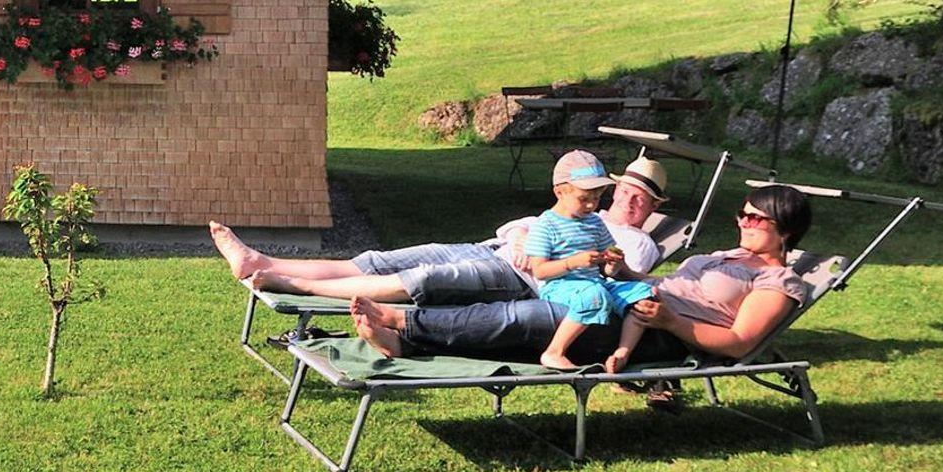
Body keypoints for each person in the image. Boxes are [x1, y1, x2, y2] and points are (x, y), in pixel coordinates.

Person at [345, 183, 815, 376]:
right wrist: (625, 272)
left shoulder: (779, 282)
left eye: (756, 219)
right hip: (631, 302)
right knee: (520, 318)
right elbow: (663, 282)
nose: (744, 222)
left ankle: (403, 323)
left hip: (661, 335)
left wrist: (671, 322)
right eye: (743, 214)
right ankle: (407, 341)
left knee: (525, 318)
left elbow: (738, 342)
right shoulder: (723, 256)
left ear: (786, 229)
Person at [208, 150, 671, 308]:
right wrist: (522, 236)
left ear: (652, 209)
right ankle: (260, 260)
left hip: (515, 279)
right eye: (626, 191)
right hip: (491, 249)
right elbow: (516, 225)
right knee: (383, 259)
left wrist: (547, 253)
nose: (630, 201)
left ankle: (293, 284)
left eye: (642, 199)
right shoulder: (584, 209)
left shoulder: (637, 241)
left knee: (420, 280)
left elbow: (612, 275)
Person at [525, 151, 658, 370]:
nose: (591, 205)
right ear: (559, 192)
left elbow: (607, 269)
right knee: (594, 295)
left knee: (643, 294)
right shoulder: (546, 225)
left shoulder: (595, 222)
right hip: (560, 285)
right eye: (584, 199)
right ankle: (554, 352)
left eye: (596, 198)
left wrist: (612, 264)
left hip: (596, 282)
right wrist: (573, 262)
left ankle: (622, 353)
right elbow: (539, 271)